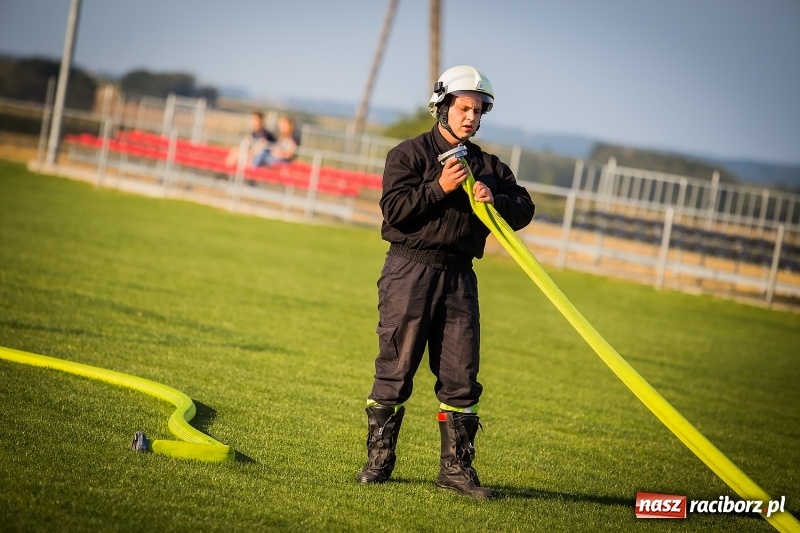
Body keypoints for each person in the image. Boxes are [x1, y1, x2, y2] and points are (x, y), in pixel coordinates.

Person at [355, 65, 535, 498]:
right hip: (408, 271)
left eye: (478, 111)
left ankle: (455, 471)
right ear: (442, 107)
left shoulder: (488, 166)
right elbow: (395, 211)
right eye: (464, 108)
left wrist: (496, 199)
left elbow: (524, 208)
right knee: (396, 369)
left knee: (461, 375)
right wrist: (438, 187)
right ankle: (379, 462)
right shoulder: (408, 154)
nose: (471, 117)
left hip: (460, 277)